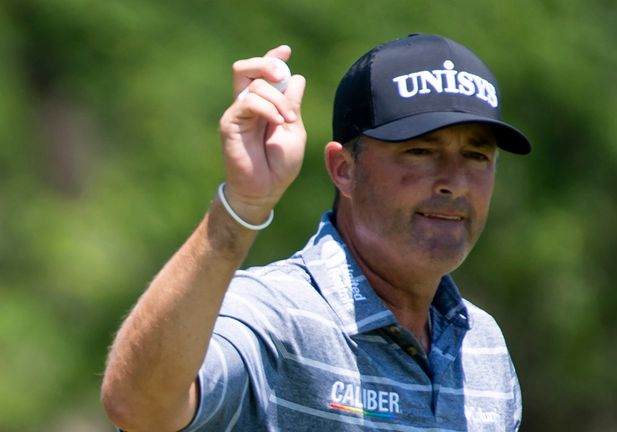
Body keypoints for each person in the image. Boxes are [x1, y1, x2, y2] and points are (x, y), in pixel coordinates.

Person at [100, 33, 531, 432]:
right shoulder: (275, 315)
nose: (454, 181)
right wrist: (243, 207)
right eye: (420, 151)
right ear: (344, 169)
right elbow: (139, 407)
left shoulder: (484, 345)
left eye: (477, 156)